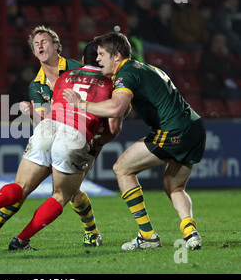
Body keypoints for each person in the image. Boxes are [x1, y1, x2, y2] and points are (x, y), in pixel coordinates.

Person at [0, 41, 123, 250]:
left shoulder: (65, 77)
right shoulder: (112, 84)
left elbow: (54, 106)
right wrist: (97, 142)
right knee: (61, 195)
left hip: (48, 126)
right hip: (74, 134)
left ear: (83, 60)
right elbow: (112, 127)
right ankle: (21, 239)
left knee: (21, 187)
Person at [63, 32, 205, 251]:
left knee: (122, 168)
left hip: (173, 130)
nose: (98, 59)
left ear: (117, 55)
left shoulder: (126, 73)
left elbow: (116, 107)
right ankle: (190, 232)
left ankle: (147, 236)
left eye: (101, 54)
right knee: (174, 186)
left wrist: (81, 105)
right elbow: (125, 110)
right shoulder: (145, 68)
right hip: (195, 128)